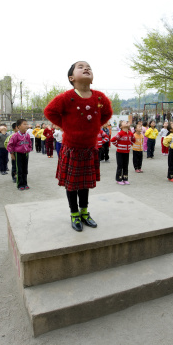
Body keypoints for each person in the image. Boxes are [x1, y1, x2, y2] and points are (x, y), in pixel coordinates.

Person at [44, 61, 113, 232]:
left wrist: (95, 126)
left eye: (88, 66)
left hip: (89, 149)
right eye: (80, 67)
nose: (86, 68)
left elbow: (107, 113)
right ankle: (74, 214)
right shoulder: (66, 97)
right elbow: (49, 111)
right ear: (72, 78)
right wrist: (66, 125)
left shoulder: (99, 97)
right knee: (72, 184)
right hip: (72, 148)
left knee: (85, 184)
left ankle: (84, 212)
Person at [6, 119, 32, 190]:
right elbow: (10, 145)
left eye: (26, 124)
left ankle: (25, 183)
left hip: (26, 154)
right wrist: (11, 153)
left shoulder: (27, 135)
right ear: (18, 126)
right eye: (24, 124)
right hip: (18, 154)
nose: (26, 125)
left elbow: (30, 143)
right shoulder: (15, 136)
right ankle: (20, 184)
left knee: (25, 169)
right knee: (19, 170)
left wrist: (29, 149)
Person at [111, 121, 135, 185]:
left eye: (127, 122)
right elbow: (112, 140)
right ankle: (118, 179)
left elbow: (133, 140)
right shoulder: (120, 133)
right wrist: (118, 145)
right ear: (121, 126)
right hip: (120, 153)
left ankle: (125, 179)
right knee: (120, 166)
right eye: (124, 122)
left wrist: (130, 145)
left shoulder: (130, 133)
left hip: (127, 152)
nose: (126, 122)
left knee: (126, 166)